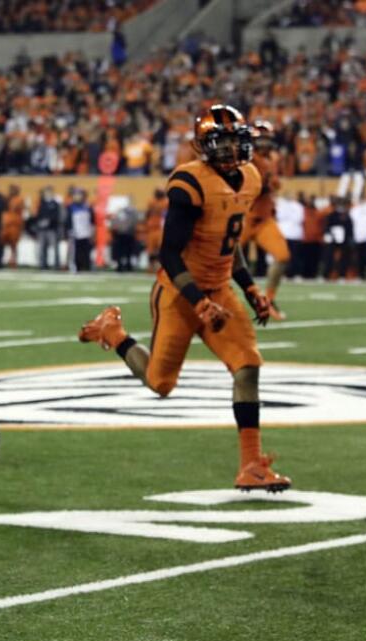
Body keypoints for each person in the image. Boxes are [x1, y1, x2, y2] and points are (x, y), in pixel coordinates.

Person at [78, 105, 289, 491]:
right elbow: (169, 254)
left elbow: (232, 243)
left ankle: (251, 466)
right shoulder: (190, 183)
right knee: (160, 384)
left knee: (248, 365)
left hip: (221, 288)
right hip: (179, 292)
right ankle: (114, 333)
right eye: (220, 142)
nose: (228, 149)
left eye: (233, 141)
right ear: (203, 146)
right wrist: (199, 302)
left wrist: (251, 288)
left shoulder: (251, 178)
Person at [240, 120, 290, 319]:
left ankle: (268, 300)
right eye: (262, 140)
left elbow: (274, 184)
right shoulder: (246, 160)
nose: (266, 144)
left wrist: (272, 185)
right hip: (244, 218)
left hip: (264, 220)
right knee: (222, 263)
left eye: (268, 140)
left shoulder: (273, 159)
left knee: (283, 256)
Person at [33, 186, 62, 269]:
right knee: (42, 248)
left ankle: (56, 265)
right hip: (42, 229)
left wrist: (49, 221)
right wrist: (39, 223)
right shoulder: (41, 203)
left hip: (52, 229)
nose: (47, 194)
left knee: (55, 248)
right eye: (46, 192)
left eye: (49, 192)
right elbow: (38, 215)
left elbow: (57, 216)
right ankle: (43, 265)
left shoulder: (55, 204)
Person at [66, 187, 94, 272]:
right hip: (75, 233)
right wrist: (69, 230)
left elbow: (92, 220)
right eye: (76, 195)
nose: (77, 197)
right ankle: (74, 266)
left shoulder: (88, 206)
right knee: (75, 252)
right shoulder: (70, 207)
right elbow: (67, 220)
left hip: (86, 232)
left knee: (86, 251)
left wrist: (92, 230)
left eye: (79, 195)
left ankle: (86, 266)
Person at [108, 198, 138, 272]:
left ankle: (125, 266)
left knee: (126, 252)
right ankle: (124, 266)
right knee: (123, 252)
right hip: (124, 234)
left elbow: (133, 222)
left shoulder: (129, 212)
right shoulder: (125, 212)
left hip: (124, 234)